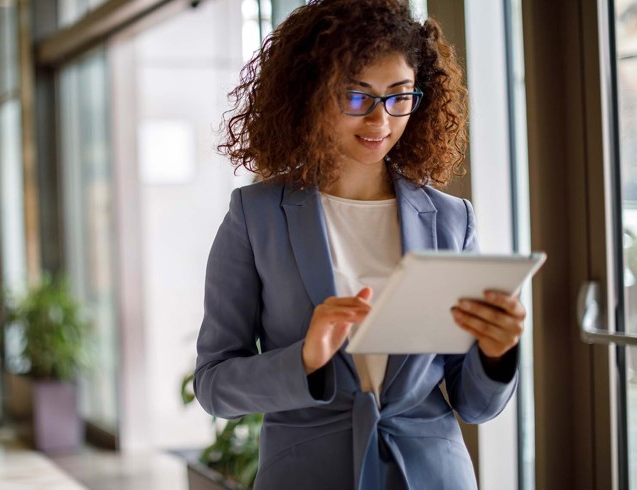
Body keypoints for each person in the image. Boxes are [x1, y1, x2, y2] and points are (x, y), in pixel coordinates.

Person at [194, 1, 526, 488]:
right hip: (307, 473)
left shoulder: (452, 221)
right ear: (312, 94)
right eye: (356, 97)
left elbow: (474, 405)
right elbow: (214, 386)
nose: (380, 121)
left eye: (399, 97)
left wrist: (497, 354)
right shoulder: (256, 216)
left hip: (432, 476)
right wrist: (304, 359)